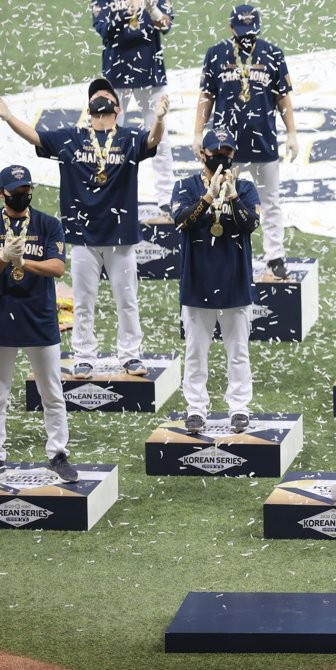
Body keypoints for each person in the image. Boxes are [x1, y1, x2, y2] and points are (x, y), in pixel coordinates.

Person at [0, 78, 167, 380]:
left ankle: (130, 355)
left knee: (126, 300)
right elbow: (35, 137)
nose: (99, 98)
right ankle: (84, 356)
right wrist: (8, 116)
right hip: (83, 237)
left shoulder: (129, 138)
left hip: (121, 238)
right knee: (84, 301)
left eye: (105, 95)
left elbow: (153, 142)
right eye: (95, 95)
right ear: (88, 108)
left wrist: (158, 119)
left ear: (117, 107)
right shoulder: (71, 138)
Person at [194, 4, 297, 280]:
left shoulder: (273, 53)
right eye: (241, 33)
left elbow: (282, 96)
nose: (246, 38)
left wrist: (292, 132)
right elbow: (207, 95)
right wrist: (197, 132)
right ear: (231, 29)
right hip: (226, 146)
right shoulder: (215, 54)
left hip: (264, 142)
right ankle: (225, 252)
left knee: (271, 202)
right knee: (223, 200)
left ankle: (274, 257)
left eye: (251, 33)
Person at [171, 129, 260, 435]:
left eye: (227, 152)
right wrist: (209, 195)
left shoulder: (246, 188)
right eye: (215, 151)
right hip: (197, 284)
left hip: (236, 283)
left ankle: (239, 408)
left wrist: (232, 195)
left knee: (238, 352)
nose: (221, 157)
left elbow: (251, 224)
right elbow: (182, 221)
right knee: (196, 351)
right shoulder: (185, 186)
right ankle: (196, 407)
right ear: (202, 154)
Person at [0, 165, 77, 483]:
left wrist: (22, 262)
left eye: (26, 190)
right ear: (3, 193)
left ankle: (58, 454)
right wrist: (4, 258)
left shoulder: (47, 224)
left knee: (52, 392)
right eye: (17, 191)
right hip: (3, 318)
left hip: (40, 318)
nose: (23, 196)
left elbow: (58, 267)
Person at [91, 0, 176, 221]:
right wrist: (126, 11)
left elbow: (166, 25)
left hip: (151, 75)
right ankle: (109, 193)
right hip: (116, 75)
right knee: (109, 136)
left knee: (161, 138)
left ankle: (166, 198)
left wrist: (150, 8)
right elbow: (102, 29)